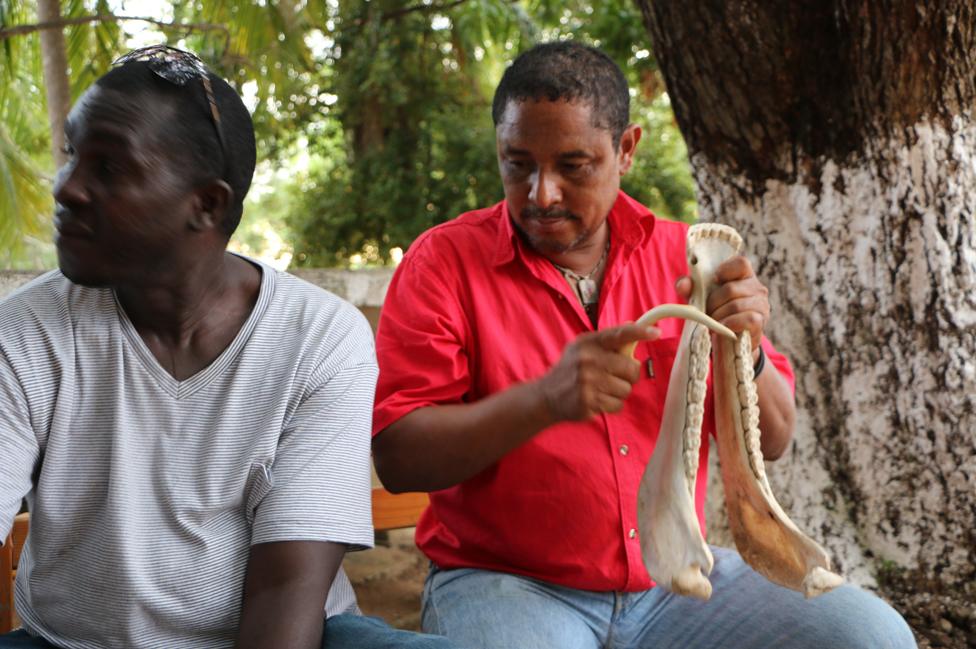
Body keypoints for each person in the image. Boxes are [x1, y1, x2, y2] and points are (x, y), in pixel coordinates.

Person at [372, 41, 916, 648]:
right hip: (507, 584)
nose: (541, 193)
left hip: (679, 584)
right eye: (517, 163)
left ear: (626, 149)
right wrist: (543, 400)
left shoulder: (692, 256)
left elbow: (780, 435)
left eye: (573, 165)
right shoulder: (442, 263)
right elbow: (399, 461)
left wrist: (746, 347)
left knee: (870, 637)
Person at [0, 46, 454, 649]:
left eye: (108, 169)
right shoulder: (29, 329)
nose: (67, 188)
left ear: (207, 204)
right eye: (71, 155)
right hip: (74, 642)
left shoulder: (319, 340)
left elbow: (283, 602)